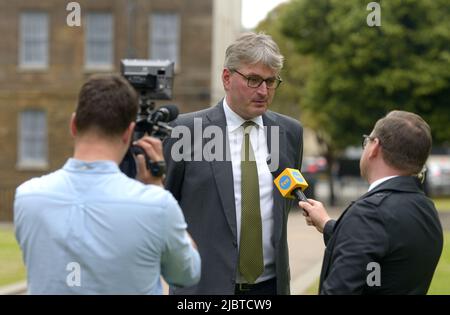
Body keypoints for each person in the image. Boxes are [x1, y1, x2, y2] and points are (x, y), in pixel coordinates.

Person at [14, 74, 200, 294]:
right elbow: (188, 272)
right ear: (129, 133)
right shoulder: (157, 205)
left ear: (73, 124)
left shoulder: (27, 197)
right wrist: (156, 186)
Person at [163, 32, 303, 295]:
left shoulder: (290, 133)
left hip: (269, 288)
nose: (263, 91)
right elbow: (165, 207)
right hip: (202, 289)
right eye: (253, 80)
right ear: (227, 78)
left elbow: (285, 201)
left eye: (271, 81)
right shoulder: (184, 131)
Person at [300, 110, 443, 294]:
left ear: (375, 147)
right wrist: (327, 225)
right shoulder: (425, 208)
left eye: (367, 140)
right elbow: (384, 248)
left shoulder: (370, 213)